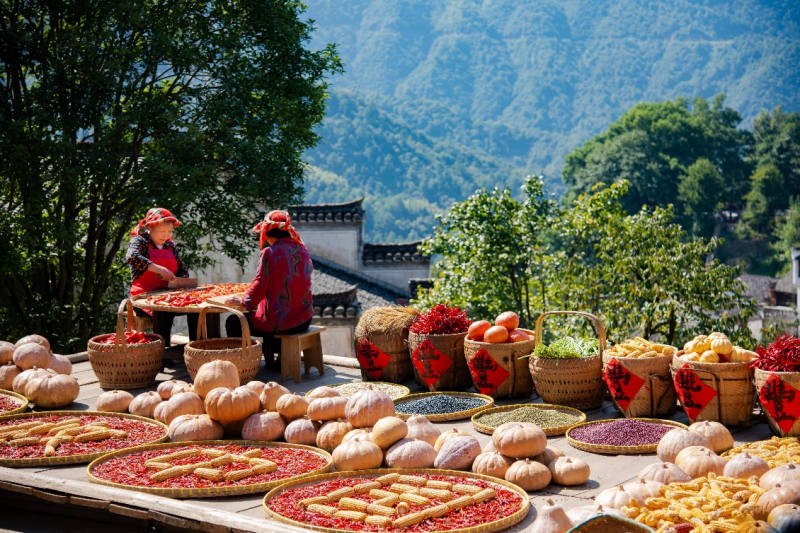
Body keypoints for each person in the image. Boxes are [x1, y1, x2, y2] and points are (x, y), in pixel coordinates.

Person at [225, 210, 314, 367]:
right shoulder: (302, 249)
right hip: (304, 319)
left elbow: (260, 285)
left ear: (267, 233)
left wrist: (243, 301)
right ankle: (278, 360)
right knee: (271, 311)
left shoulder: (269, 253)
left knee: (234, 321)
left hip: (282, 323)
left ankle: (242, 367)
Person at [125, 207, 198, 338]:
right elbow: (132, 257)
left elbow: (183, 269)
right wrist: (160, 270)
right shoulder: (139, 240)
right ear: (150, 228)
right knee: (162, 310)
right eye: (162, 231)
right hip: (143, 296)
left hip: (167, 295)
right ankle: (163, 352)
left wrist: (178, 280)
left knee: (197, 307)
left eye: (169, 231)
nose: (166, 235)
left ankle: (196, 347)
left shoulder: (169, 245)